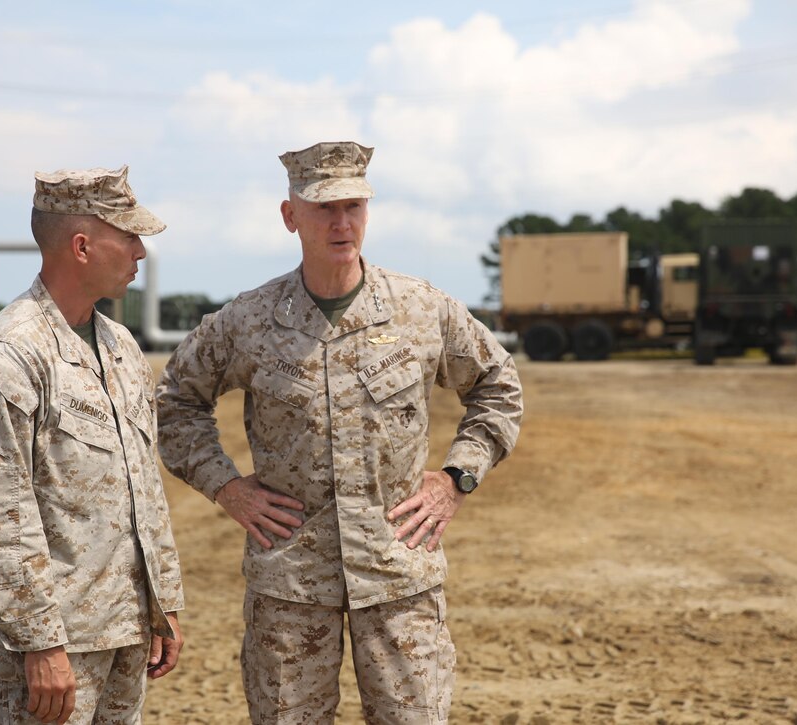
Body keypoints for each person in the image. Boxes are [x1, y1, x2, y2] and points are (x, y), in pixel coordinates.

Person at [154, 142, 523, 723]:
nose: (341, 223)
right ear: (290, 216)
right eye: (324, 208)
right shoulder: (249, 321)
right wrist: (227, 488)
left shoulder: (420, 310)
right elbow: (175, 401)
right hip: (291, 585)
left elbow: (498, 386)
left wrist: (457, 479)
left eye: (353, 206)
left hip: (399, 574)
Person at [0, 166, 184, 724]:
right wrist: (40, 642)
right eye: (128, 236)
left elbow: (143, 485)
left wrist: (163, 604)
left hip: (125, 633)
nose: (140, 251)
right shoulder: (10, 354)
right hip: (47, 653)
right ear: (82, 247)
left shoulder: (121, 346)